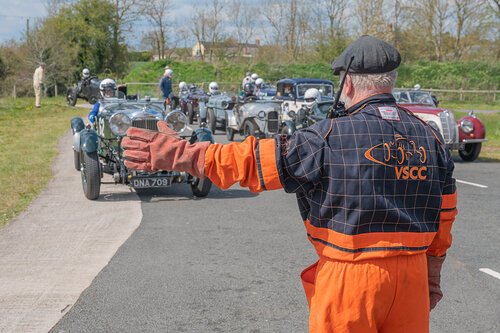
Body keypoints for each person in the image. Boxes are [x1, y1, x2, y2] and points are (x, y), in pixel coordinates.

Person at [122, 35, 457, 332]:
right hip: (412, 275)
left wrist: (181, 153)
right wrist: (431, 271)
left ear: (349, 84)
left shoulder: (326, 136)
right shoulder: (430, 137)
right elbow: (445, 213)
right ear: (390, 82)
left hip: (350, 277)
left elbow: (252, 160)